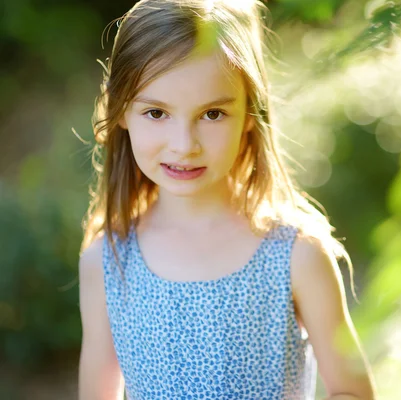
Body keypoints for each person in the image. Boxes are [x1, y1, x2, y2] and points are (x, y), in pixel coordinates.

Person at [77, 0, 375, 399]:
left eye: (212, 114)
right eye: (156, 113)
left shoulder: (296, 255)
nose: (184, 146)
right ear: (121, 111)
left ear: (249, 113)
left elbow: (352, 390)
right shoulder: (108, 261)